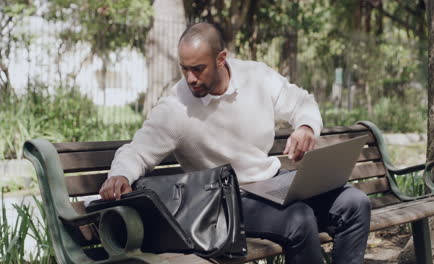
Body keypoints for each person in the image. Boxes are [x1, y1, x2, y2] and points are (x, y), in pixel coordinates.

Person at [99, 22, 370, 264]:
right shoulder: (175, 108)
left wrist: (306, 126)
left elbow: (301, 102)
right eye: (185, 69)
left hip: (272, 183)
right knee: (298, 219)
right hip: (223, 201)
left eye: (198, 68)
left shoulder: (257, 76)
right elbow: (138, 151)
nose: (191, 78)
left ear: (221, 59)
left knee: (355, 203)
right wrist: (119, 174)